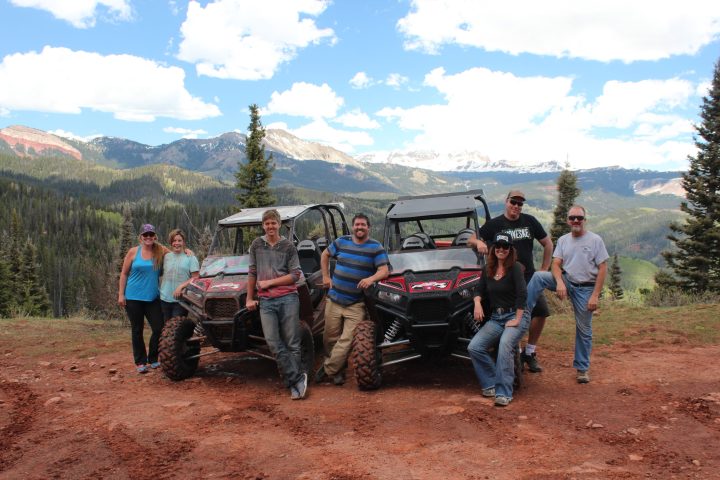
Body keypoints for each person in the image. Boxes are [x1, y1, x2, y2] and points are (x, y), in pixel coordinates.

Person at [467, 189, 553, 373]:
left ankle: (529, 353)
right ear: (506, 202)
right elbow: (471, 239)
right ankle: (513, 350)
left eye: (520, 204)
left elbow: (548, 243)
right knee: (508, 314)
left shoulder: (530, 221)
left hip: (528, 277)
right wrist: (479, 243)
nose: (516, 206)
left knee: (541, 312)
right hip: (504, 280)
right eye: (513, 202)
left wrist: (544, 270)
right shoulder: (494, 224)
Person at [525, 205, 608, 384]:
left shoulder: (595, 240)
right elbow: (556, 264)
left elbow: (603, 268)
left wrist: (595, 296)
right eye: (572, 218)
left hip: (586, 288)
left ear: (585, 219)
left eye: (579, 218)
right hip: (568, 281)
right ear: (567, 220)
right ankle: (524, 314)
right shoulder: (563, 240)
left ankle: (582, 368)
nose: (576, 221)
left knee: (584, 329)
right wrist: (561, 282)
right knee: (539, 276)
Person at [315, 214, 389, 385]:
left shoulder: (375, 247)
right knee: (329, 338)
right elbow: (325, 255)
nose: (359, 227)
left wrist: (371, 279)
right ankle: (336, 371)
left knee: (348, 340)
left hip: (356, 303)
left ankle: (327, 369)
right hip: (334, 299)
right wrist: (326, 277)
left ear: (368, 227)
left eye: (363, 225)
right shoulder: (342, 242)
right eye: (357, 225)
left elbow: (384, 270)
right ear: (353, 227)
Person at [245, 209, 308, 400]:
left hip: (288, 297)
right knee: (273, 342)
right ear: (263, 225)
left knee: (292, 343)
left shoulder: (288, 246)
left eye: (273, 223)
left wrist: (270, 283)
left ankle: (293, 385)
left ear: (279, 224)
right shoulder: (257, 245)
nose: (270, 226)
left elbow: (295, 275)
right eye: (267, 223)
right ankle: (297, 379)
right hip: (266, 301)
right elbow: (252, 272)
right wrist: (249, 298)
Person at [467, 233, 530, 407]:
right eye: (498, 246)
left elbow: (522, 294)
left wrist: (517, 319)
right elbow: (478, 290)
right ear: (493, 248)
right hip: (496, 317)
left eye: (505, 246)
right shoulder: (488, 269)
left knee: (505, 345)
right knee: (474, 347)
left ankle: (504, 393)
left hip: (516, 315)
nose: (501, 249)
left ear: (510, 250)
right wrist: (477, 303)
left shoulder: (515, 268)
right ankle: (491, 383)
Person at [118, 224, 165, 374]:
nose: (148, 237)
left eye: (151, 235)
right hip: (133, 297)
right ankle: (140, 362)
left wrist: (188, 252)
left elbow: (178, 253)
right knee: (137, 330)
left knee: (158, 328)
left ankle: (153, 358)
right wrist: (121, 294)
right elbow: (124, 274)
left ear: (155, 236)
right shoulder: (133, 252)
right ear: (141, 237)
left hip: (152, 298)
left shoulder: (160, 251)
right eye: (145, 235)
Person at [160, 229, 200, 321]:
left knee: (177, 328)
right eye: (174, 241)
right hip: (164, 298)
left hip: (181, 300)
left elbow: (196, 277)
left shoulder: (190, 257)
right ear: (171, 242)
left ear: (183, 242)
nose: (176, 243)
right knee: (166, 328)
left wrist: (181, 286)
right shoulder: (166, 257)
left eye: (179, 240)